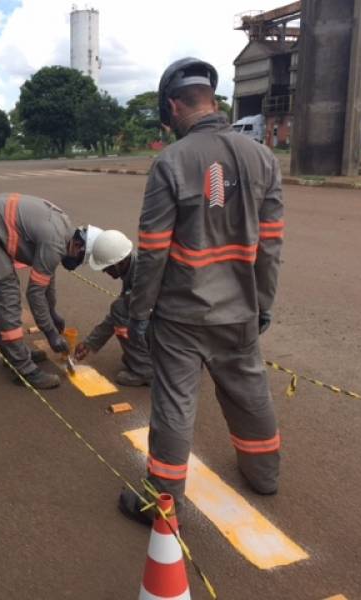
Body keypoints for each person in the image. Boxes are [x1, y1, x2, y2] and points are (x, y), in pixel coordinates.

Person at [119, 57, 284, 523]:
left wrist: (139, 311)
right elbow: (271, 246)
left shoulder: (170, 162)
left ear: (173, 106)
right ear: (211, 99)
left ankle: (162, 502)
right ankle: (264, 475)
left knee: (174, 405)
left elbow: (152, 250)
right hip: (241, 312)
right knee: (250, 393)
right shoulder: (263, 158)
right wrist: (262, 304)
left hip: (182, 314)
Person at [0, 193, 101, 389]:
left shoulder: (65, 232)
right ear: (78, 245)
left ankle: (12, 353)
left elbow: (46, 276)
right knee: (7, 293)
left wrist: (52, 312)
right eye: (79, 259)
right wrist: (51, 333)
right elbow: (35, 293)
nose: (76, 264)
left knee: (6, 297)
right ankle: (24, 369)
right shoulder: (55, 242)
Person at [73, 230, 152, 387]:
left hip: (180, 329)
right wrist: (90, 344)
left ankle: (146, 371)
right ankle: (154, 359)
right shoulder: (135, 266)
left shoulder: (141, 277)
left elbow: (121, 314)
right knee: (122, 310)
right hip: (178, 325)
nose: (104, 271)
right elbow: (115, 318)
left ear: (120, 262)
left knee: (121, 309)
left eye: (107, 267)